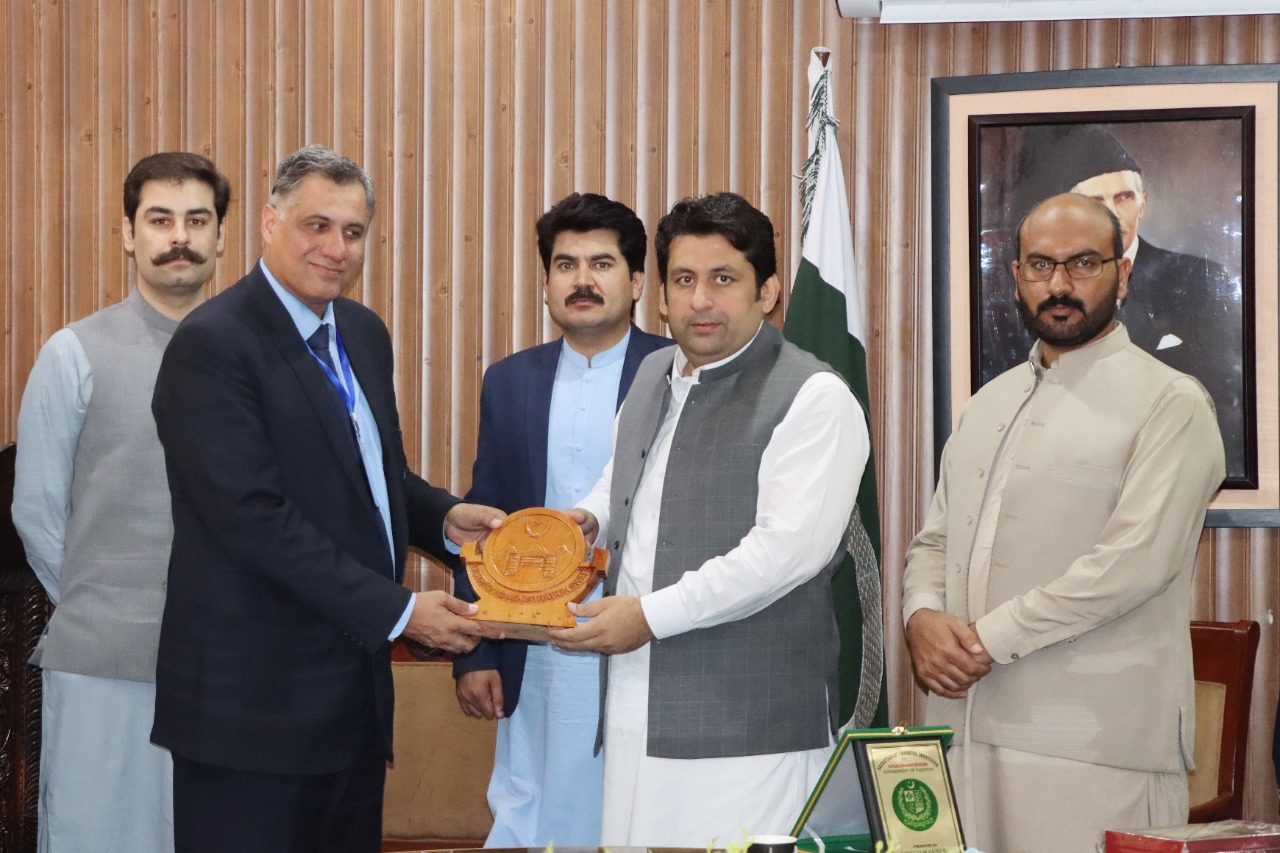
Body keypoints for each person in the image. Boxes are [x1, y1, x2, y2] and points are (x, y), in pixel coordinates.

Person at [149, 144, 504, 853]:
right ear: (269, 222)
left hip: (349, 709)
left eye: (353, 231)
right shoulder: (213, 343)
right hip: (250, 715)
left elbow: (373, 477)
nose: (336, 248)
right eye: (317, 225)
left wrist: (443, 520)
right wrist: (402, 610)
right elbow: (253, 519)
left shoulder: (362, 334)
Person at [903, 193, 1224, 853]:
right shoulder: (988, 403)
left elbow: (1133, 564)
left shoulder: (1171, 403)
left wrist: (983, 640)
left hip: (1095, 746)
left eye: (1082, 263)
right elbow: (936, 539)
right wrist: (921, 615)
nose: (1059, 284)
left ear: (1122, 273)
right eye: (1041, 265)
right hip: (962, 731)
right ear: (1016, 275)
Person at [552, 192, 869, 846]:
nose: (700, 300)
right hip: (636, 712)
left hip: (751, 732)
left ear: (768, 291)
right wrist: (586, 519)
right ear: (660, 297)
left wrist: (648, 616)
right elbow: (625, 473)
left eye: (723, 279)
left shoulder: (815, 397)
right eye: (684, 280)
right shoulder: (653, 372)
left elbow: (784, 554)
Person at [12, 152, 229, 853]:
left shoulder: (255, 358)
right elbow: (38, 512)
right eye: (160, 220)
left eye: (197, 220)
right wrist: (101, 601)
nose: (180, 237)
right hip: (103, 660)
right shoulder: (73, 353)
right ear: (129, 234)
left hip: (229, 663)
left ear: (221, 236)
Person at [451, 192, 671, 846]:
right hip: (533, 640)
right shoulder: (509, 380)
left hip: (640, 634)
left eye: (602, 264)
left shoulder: (677, 373)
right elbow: (483, 516)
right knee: (533, 804)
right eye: (566, 264)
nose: (582, 280)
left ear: (637, 282)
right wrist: (476, 648)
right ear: (546, 282)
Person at [988, 125, 1242, 473]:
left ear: (1143, 202)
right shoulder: (1044, 294)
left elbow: (1222, 393)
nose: (1113, 214)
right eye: (1096, 203)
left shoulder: (1199, 279)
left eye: (1124, 197)